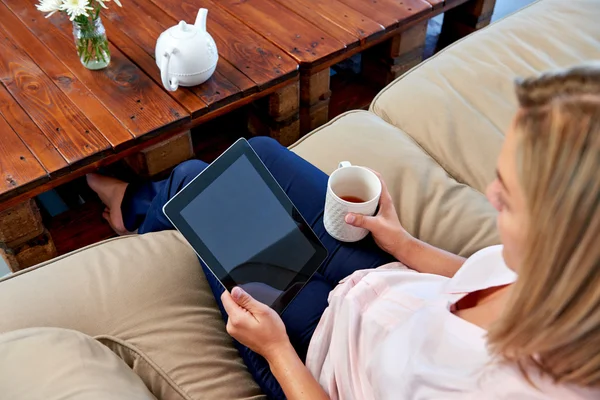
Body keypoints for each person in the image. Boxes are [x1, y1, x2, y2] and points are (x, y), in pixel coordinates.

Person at [87, 65, 600, 399]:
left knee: (200, 187)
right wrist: (403, 243)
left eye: (507, 197)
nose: (489, 195)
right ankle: (133, 209)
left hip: (316, 352)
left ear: (564, 242)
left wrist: (276, 350)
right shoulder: (568, 277)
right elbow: (470, 276)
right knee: (256, 158)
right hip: (381, 273)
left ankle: (129, 209)